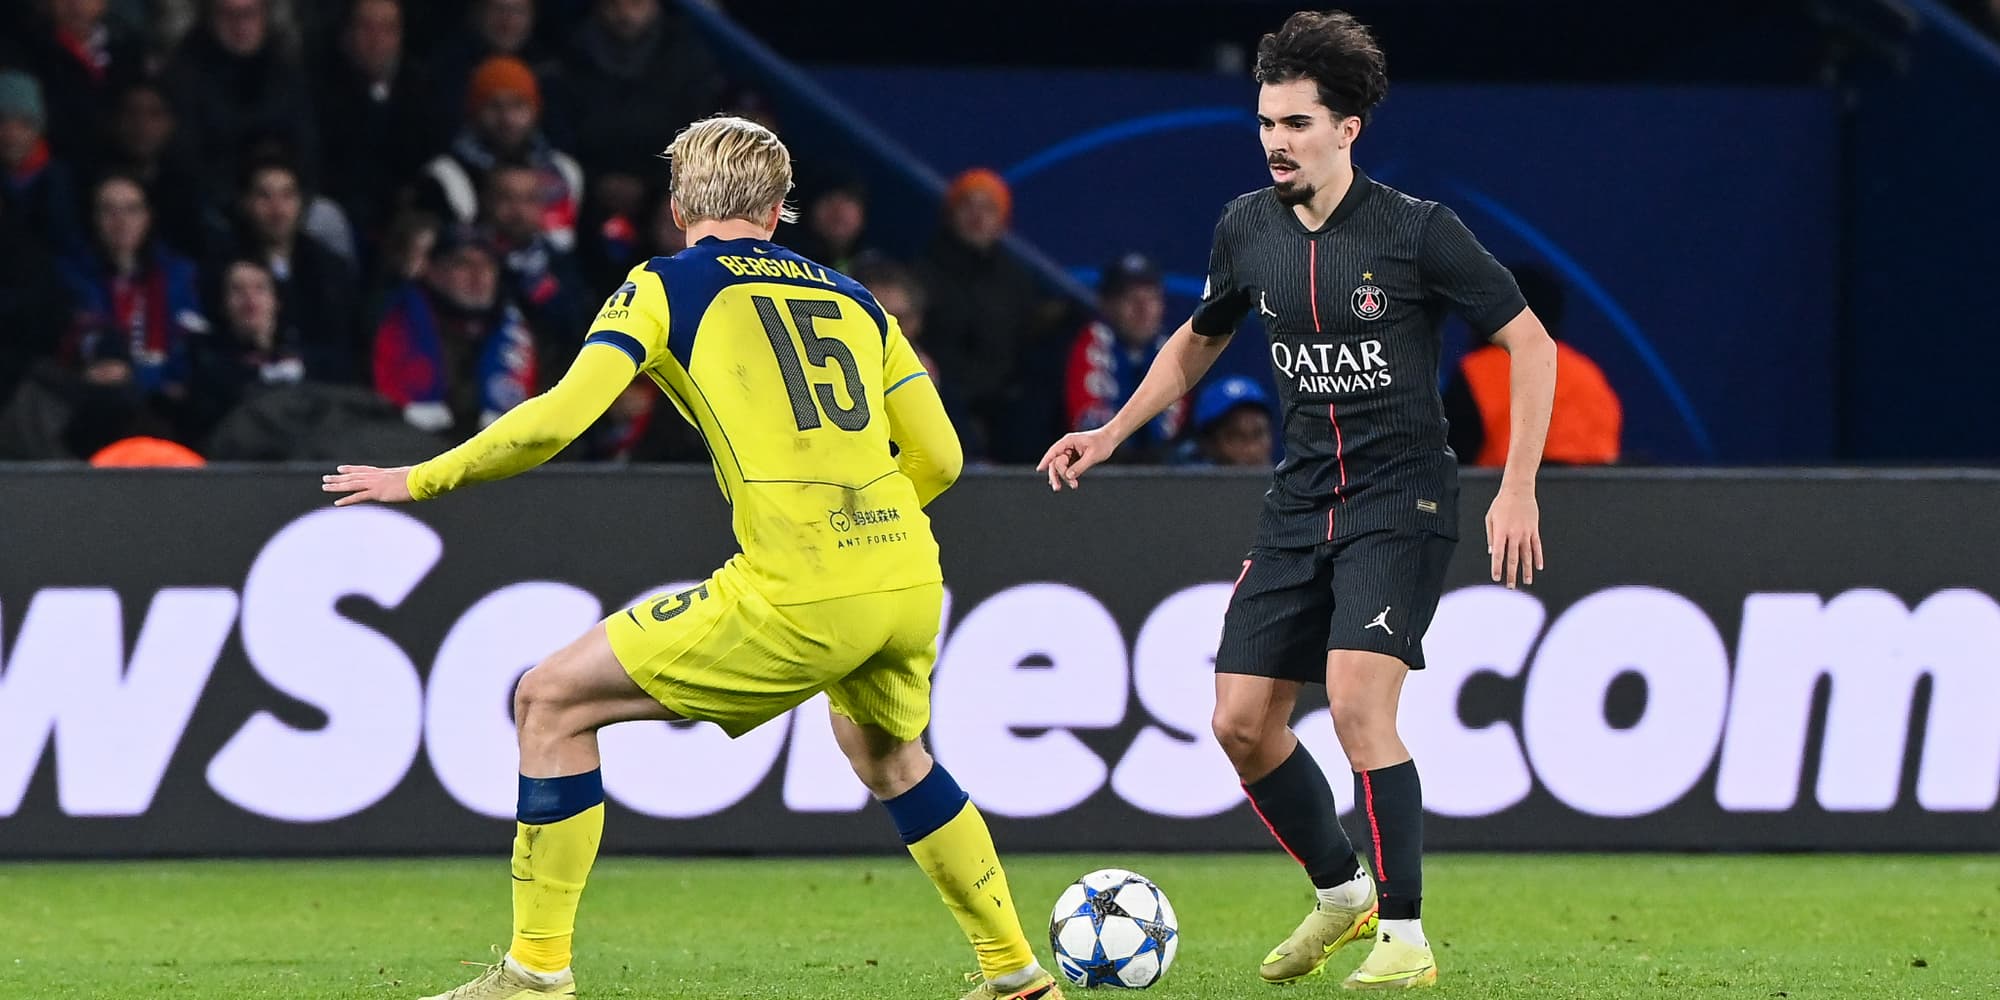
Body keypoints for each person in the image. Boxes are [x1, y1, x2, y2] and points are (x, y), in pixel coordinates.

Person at [324, 116, 1063, 1000]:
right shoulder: (857, 298)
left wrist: (423, 480)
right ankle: (1017, 974)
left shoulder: (667, 284)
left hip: (802, 587)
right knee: (891, 756)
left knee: (548, 700)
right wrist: (861, 521)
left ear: (678, 207)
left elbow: (561, 417)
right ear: (781, 208)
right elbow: (940, 459)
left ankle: (535, 974)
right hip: (907, 575)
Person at [1038, 10, 1556, 990]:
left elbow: (1529, 343)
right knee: (1238, 721)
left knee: (1359, 701)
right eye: (1265, 122)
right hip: (1297, 503)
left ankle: (1404, 935)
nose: (1275, 140)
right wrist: (1112, 429)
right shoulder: (1245, 227)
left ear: (1346, 129)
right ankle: (1340, 892)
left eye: (1296, 122)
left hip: (1399, 502)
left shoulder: (1417, 233)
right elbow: (1200, 334)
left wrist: (1516, 486)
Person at [1444, 263, 1621, 467]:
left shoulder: (1479, 371)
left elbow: (1452, 460)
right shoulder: (1588, 373)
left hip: (1508, 493)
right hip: (1599, 496)